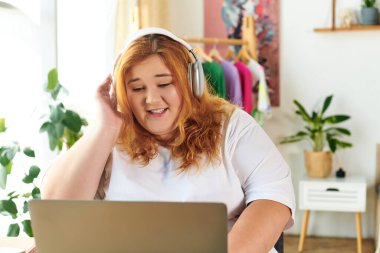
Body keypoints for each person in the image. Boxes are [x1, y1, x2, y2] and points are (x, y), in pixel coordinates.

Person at [41, 27, 295, 253]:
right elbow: (57, 209)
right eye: (137, 88)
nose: (151, 99)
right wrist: (105, 128)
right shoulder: (111, 135)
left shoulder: (232, 125)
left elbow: (273, 198)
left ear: (191, 82)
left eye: (164, 84)